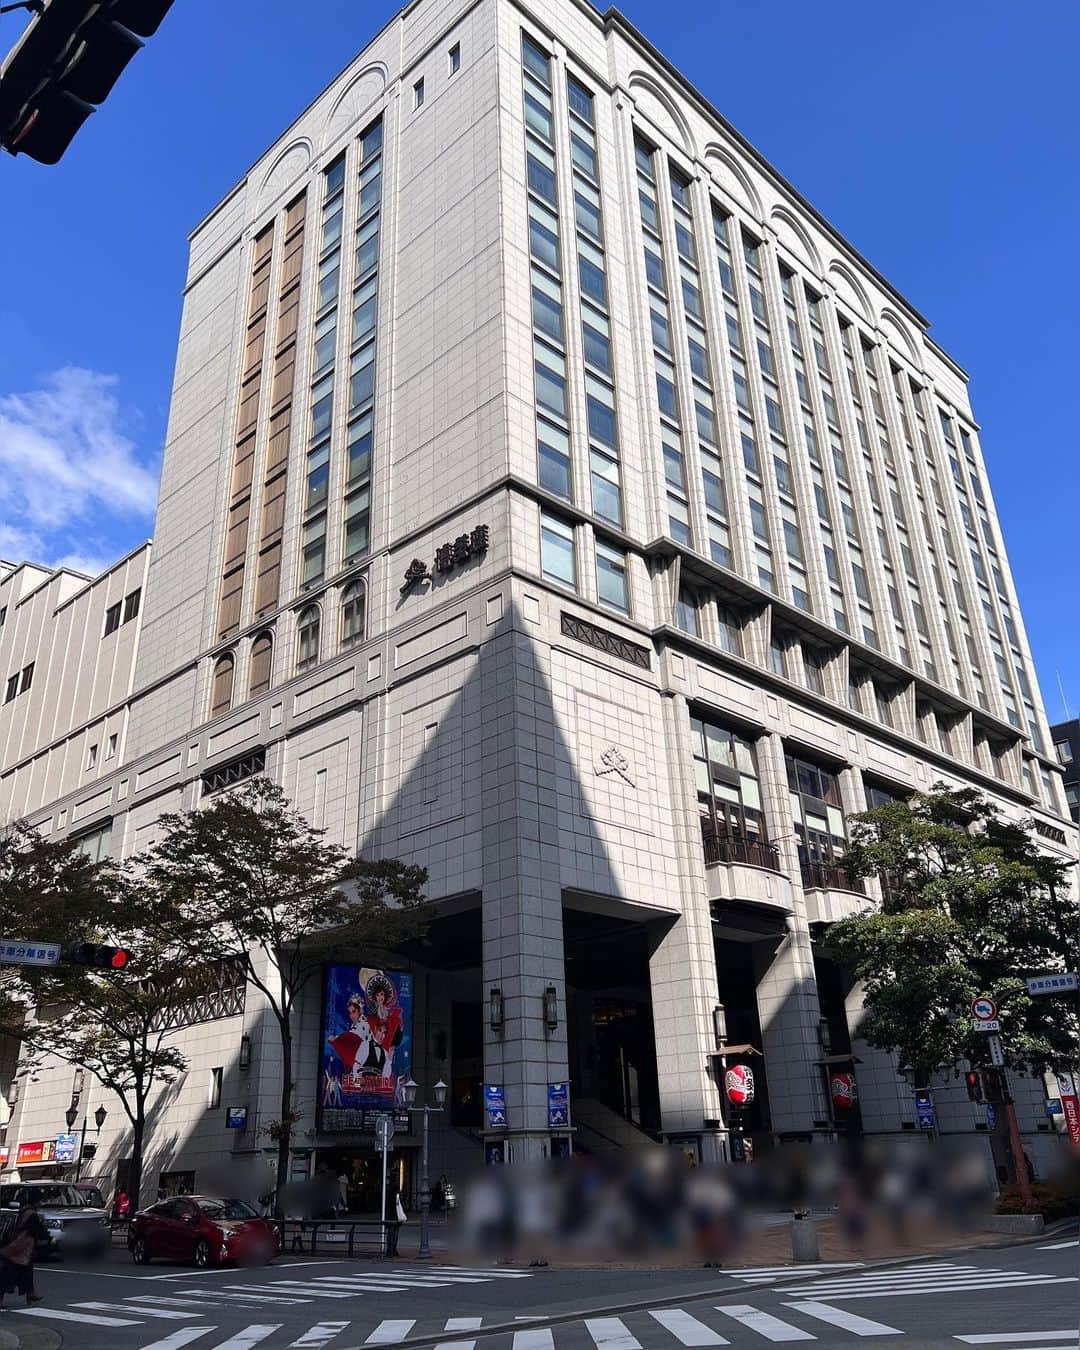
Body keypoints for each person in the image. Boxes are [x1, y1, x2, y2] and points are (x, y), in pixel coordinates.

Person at [0, 1204, 48, 1309]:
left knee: (26, 1270)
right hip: (20, 1248)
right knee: (9, 1274)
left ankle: (30, 1294)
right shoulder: (31, 1215)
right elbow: (37, 1231)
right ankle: (30, 1294)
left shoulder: (22, 1212)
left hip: (18, 1248)